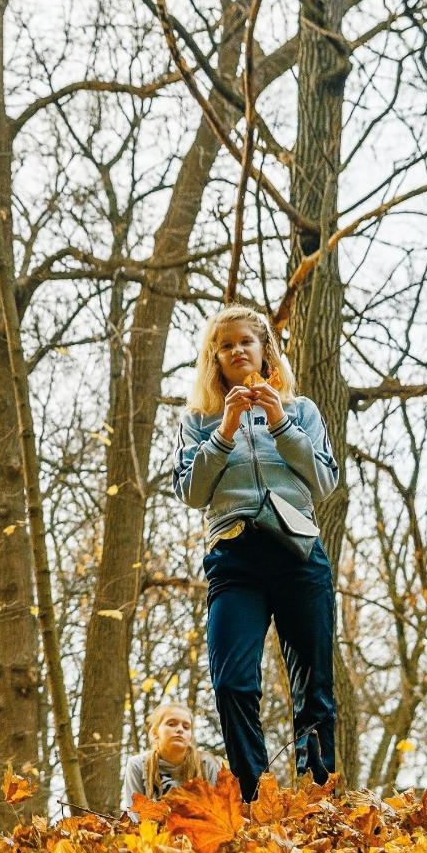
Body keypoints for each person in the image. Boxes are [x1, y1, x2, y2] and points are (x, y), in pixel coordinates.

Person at [173, 305, 339, 801]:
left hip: (298, 551)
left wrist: (281, 423)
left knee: (314, 687)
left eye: (245, 341)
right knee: (232, 683)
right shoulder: (199, 420)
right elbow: (190, 490)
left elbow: (325, 480)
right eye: (225, 346)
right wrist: (224, 431)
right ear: (214, 360)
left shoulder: (301, 410)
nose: (236, 351)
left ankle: (317, 798)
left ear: (264, 349)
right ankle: (256, 797)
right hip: (234, 557)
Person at [120, 702, 223, 811]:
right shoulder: (138, 765)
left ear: (191, 737)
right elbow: (134, 813)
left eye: (186, 727)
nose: (180, 729)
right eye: (171, 724)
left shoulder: (206, 764)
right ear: (155, 733)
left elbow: (219, 810)